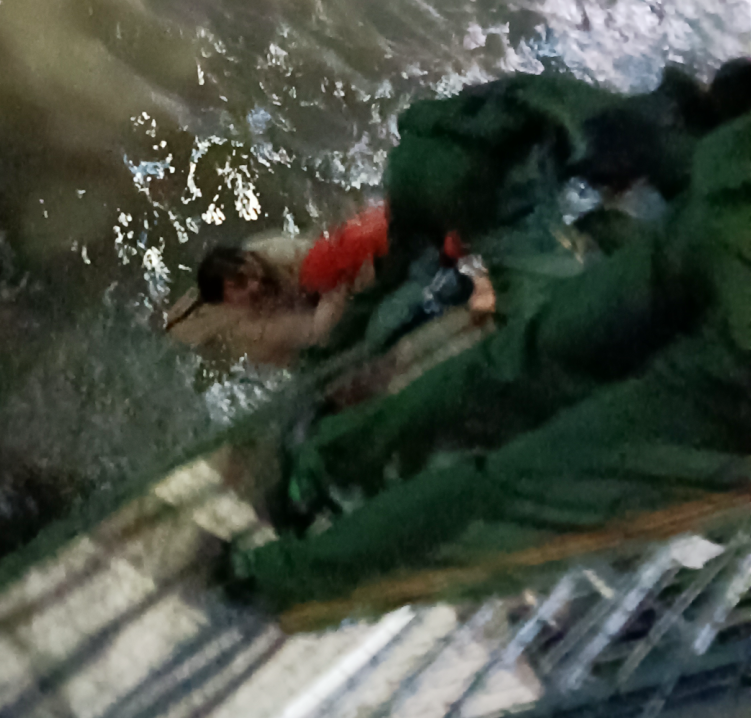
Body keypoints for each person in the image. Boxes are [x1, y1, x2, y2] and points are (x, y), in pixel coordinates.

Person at [227, 59, 751, 614]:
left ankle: (318, 463)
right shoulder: (667, 148)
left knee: (498, 365)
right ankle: (299, 573)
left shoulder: (663, 133)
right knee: (524, 477)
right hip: (502, 200)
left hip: (432, 157)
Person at [165, 205, 391, 368]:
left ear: (248, 257)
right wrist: (339, 285)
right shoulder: (250, 328)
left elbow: (320, 253)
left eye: (249, 274)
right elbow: (316, 334)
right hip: (215, 336)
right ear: (227, 301)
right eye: (241, 285)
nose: (255, 285)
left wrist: (345, 252)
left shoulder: (268, 252)